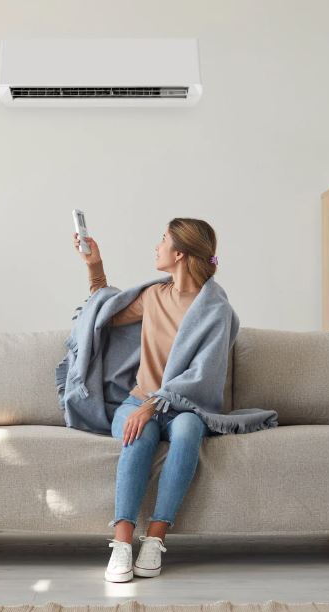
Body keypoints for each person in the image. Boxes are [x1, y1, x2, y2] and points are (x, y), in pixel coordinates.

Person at [72, 218, 222, 582]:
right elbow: (102, 315)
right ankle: (122, 542)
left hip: (185, 406)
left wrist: (153, 405)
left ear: (180, 254)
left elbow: (203, 375)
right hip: (136, 402)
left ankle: (155, 539)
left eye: (163, 240)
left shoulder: (216, 309)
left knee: (187, 430)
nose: (156, 247)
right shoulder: (154, 297)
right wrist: (95, 266)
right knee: (140, 434)